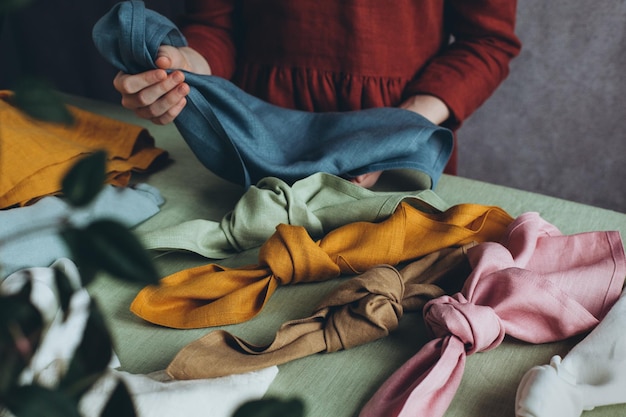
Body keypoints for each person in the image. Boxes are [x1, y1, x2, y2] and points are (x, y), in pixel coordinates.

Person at [113, 0, 521, 188]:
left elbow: (485, 42)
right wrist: (186, 67)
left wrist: (395, 132)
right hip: (257, 148)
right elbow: (217, 25)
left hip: (400, 153)